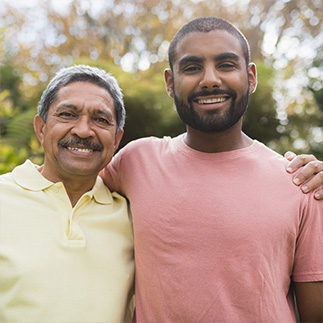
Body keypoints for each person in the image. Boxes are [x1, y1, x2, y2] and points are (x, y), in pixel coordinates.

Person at [101, 17, 323, 322]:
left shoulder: (300, 182)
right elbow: (68, 194)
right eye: (192, 68)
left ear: (251, 76)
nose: (210, 79)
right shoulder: (136, 161)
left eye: (226, 65)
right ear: (170, 82)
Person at [0, 65, 134, 322]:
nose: (83, 130)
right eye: (68, 114)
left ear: (116, 140)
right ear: (41, 129)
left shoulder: (133, 218)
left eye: (101, 119)